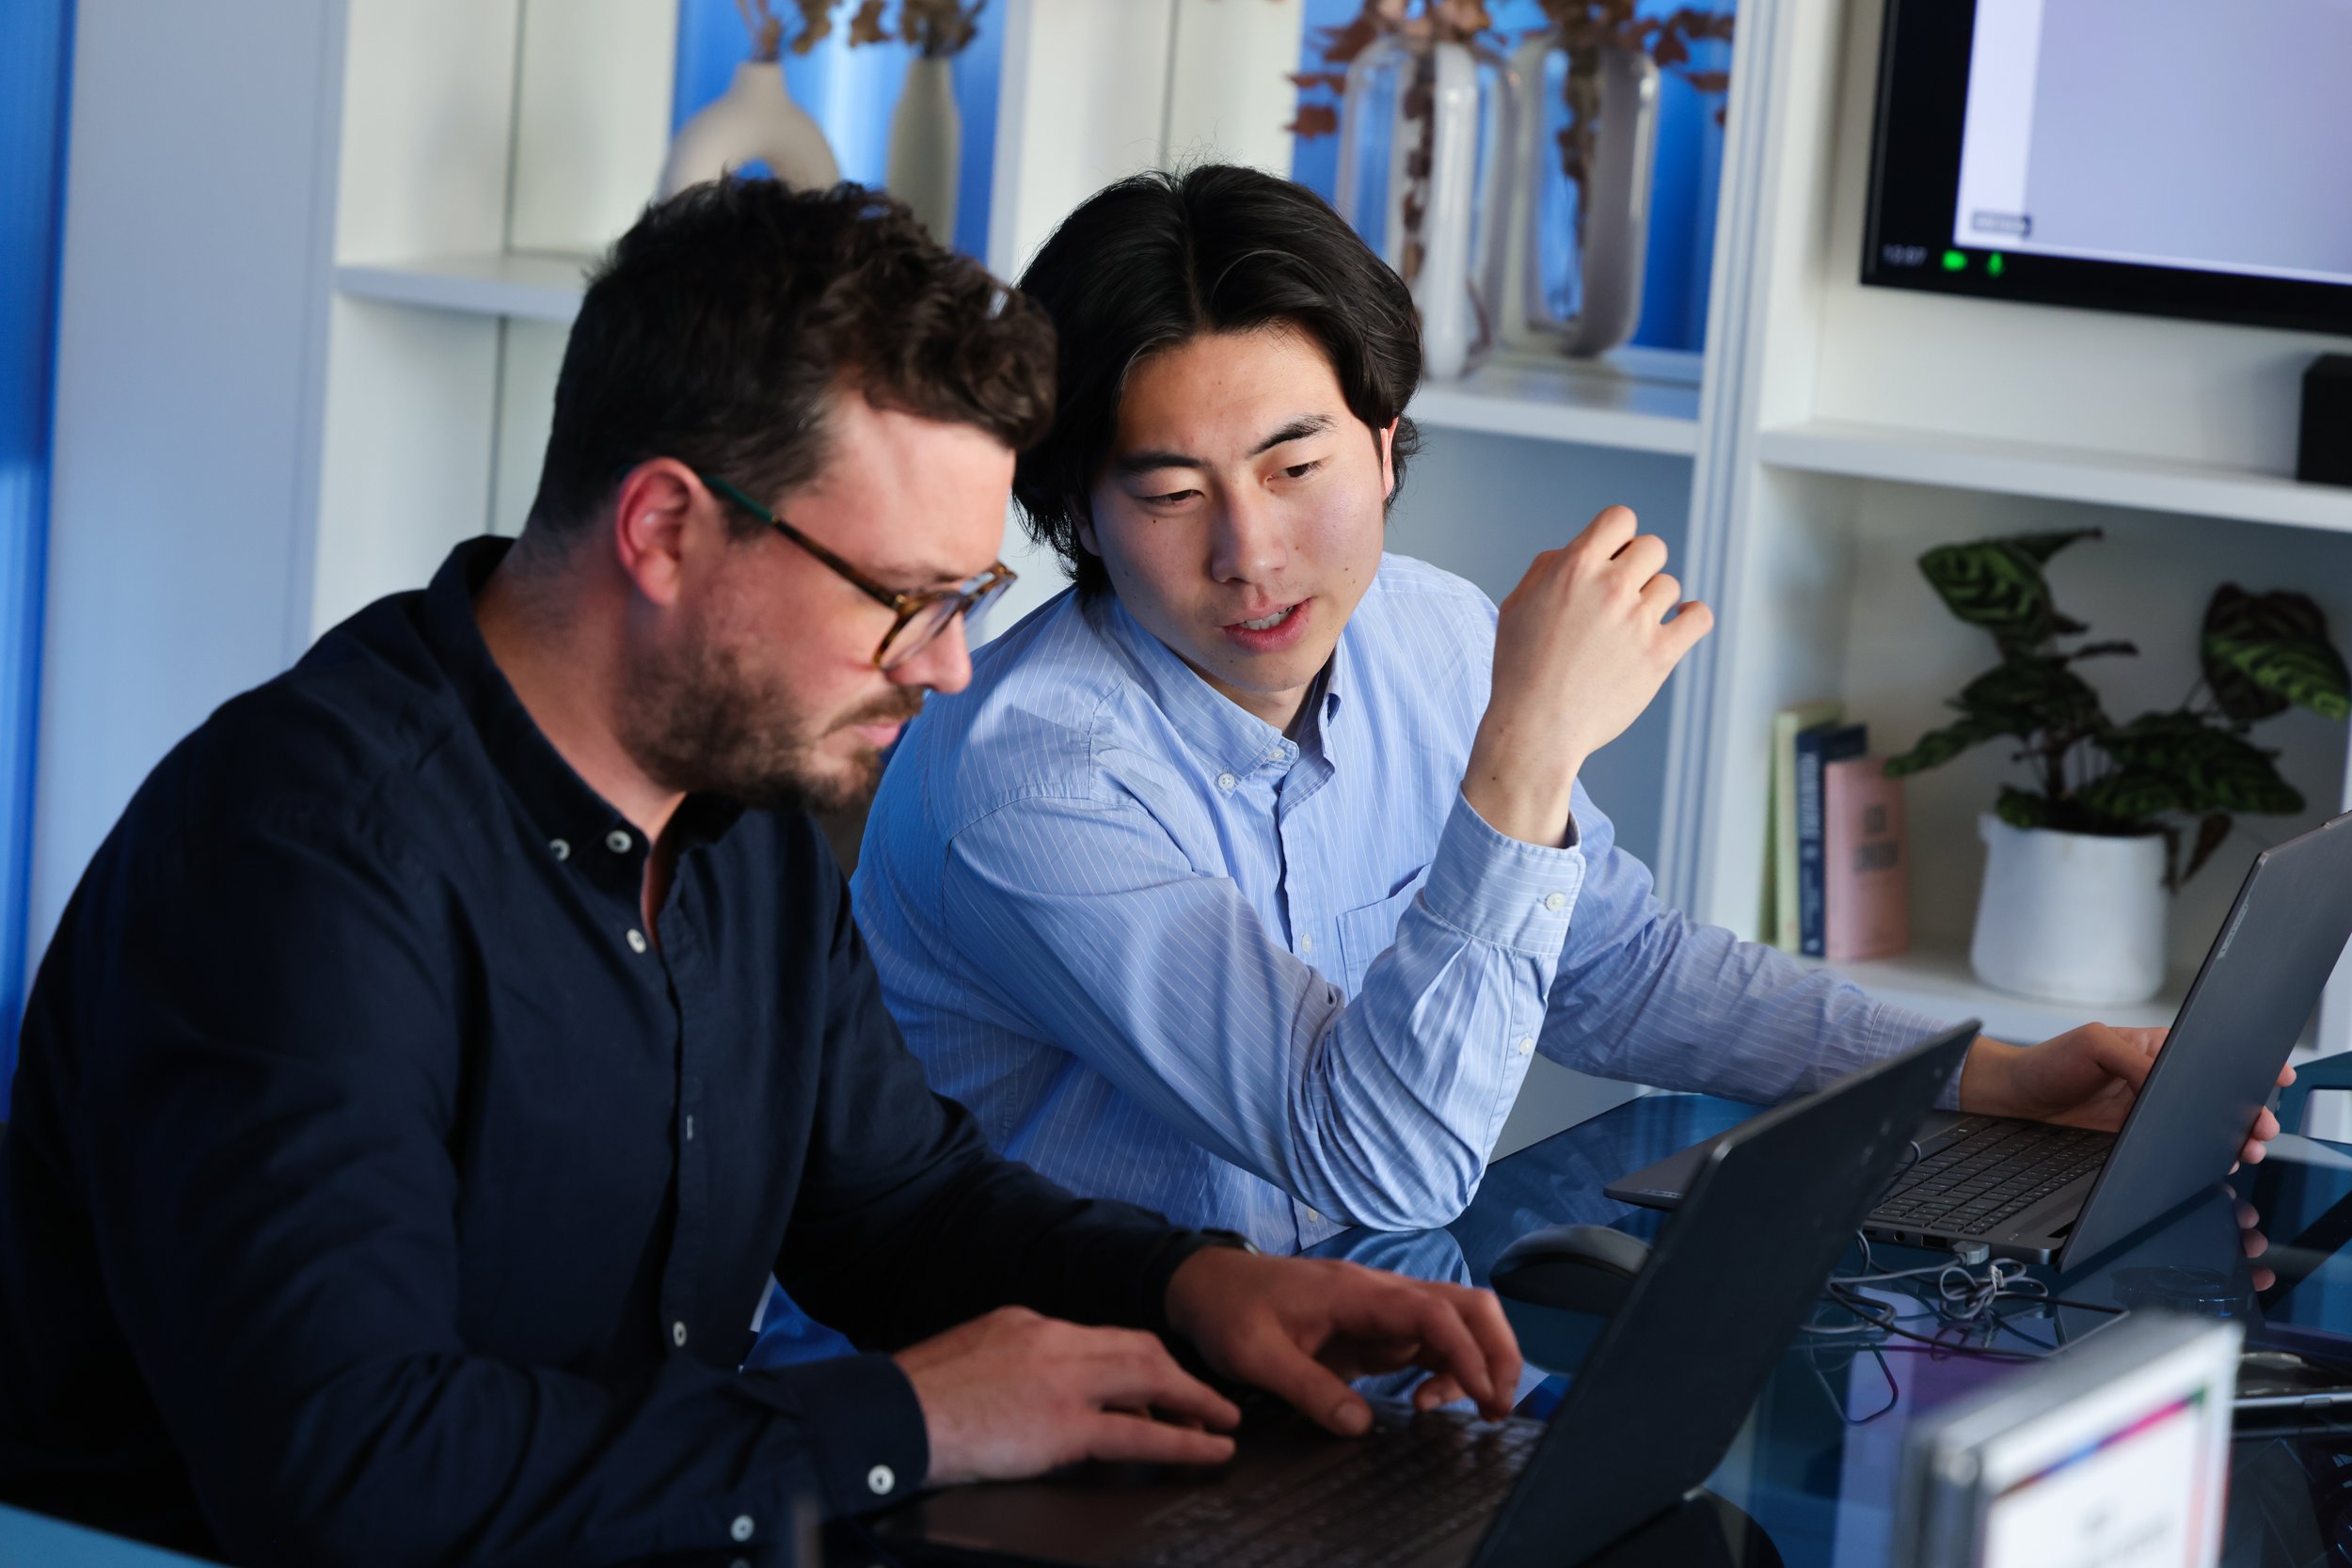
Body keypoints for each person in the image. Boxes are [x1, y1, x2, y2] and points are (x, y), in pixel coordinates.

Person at [0, 180, 1523, 1568]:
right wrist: (907, 1422)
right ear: (666, 528)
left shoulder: (742, 812)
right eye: (908, 599)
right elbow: (346, 1467)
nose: (945, 671)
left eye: (971, 597)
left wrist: (1204, 1289)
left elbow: (892, 1200)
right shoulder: (293, 862)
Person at [850, 165, 2285, 1253]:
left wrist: (1989, 1075)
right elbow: (1379, 1164)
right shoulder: (1030, 778)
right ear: (1079, 517)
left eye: (1298, 467)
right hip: (1062, 1405)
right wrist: (1524, 753)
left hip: (1348, 1329)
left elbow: (1619, 965)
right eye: (1169, 495)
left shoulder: (1425, 628)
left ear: (1389, 436)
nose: (1251, 551)